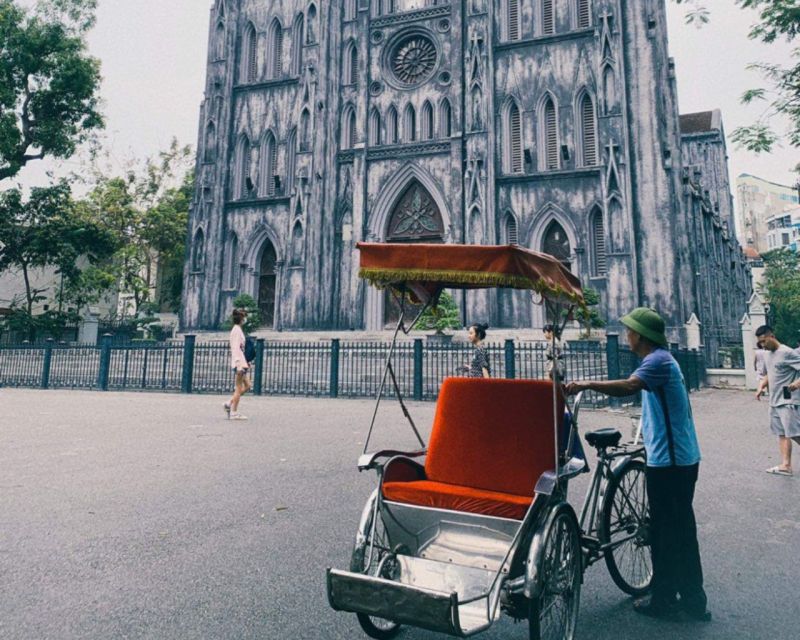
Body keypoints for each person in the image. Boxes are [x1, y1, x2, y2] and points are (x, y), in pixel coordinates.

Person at [564, 307, 710, 622]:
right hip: (678, 458)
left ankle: (665, 600)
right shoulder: (660, 361)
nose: (626, 335)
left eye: (629, 331)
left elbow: (629, 387)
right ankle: (692, 599)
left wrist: (587, 383)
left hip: (672, 463)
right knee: (681, 530)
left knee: (664, 532)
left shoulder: (657, 361)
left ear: (640, 336)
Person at [754, 325, 800, 476]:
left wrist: (797, 383)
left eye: (763, 341)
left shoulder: (787, 352)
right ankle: (786, 466)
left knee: (794, 433)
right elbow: (770, 374)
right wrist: (761, 386)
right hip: (774, 401)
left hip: (788, 400)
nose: (762, 345)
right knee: (782, 433)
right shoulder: (767, 355)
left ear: (771, 336)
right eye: (759, 343)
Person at [224, 308, 251, 420]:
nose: (245, 319)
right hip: (239, 363)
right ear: (241, 319)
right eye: (244, 317)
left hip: (242, 362)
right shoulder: (236, 330)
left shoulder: (238, 329)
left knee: (248, 386)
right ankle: (234, 413)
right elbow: (235, 349)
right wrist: (238, 364)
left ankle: (229, 403)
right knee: (238, 388)